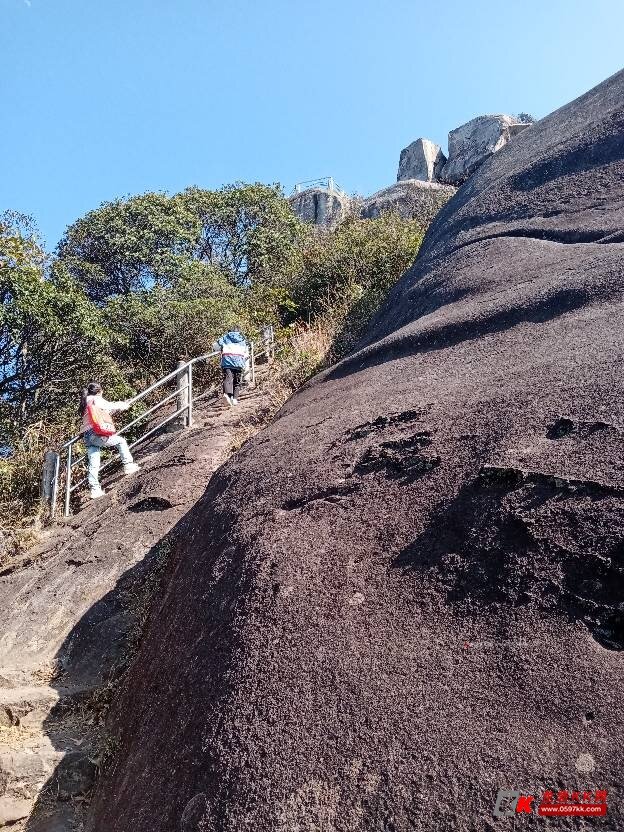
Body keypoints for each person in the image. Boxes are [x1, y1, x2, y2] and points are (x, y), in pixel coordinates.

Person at [79, 382, 140, 499]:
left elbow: (102, 412)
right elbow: (110, 405)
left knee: (94, 463)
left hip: (87, 436)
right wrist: (124, 405)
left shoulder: (85, 402)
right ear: (99, 391)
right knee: (121, 441)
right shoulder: (95, 399)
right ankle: (128, 465)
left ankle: (95, 490)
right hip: (96, 434)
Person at [213, 329, 249, 406]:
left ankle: (227, 396)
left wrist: (220, 349)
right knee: (237, 381)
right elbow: (246, 351)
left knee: (228, 379)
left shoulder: (225, 337)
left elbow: (215, 346)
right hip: (239, 362)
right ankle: (235, 399)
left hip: (227, 361)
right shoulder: (242, 339)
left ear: (229, 332)